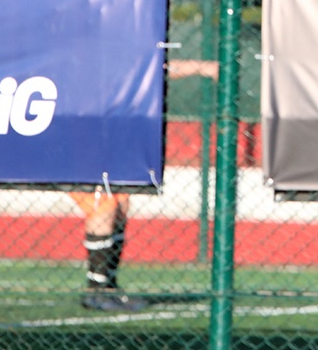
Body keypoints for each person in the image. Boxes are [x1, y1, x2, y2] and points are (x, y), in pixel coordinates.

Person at [75, 57, 219, 312]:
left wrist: (200, 68)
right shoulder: (93, 57)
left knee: (120, 207)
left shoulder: (130, 55)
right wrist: (200, 67)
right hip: (86, 140)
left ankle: (109, 286)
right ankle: (95, 290)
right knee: (103, 208)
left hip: (112, 142)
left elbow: (150, 68)